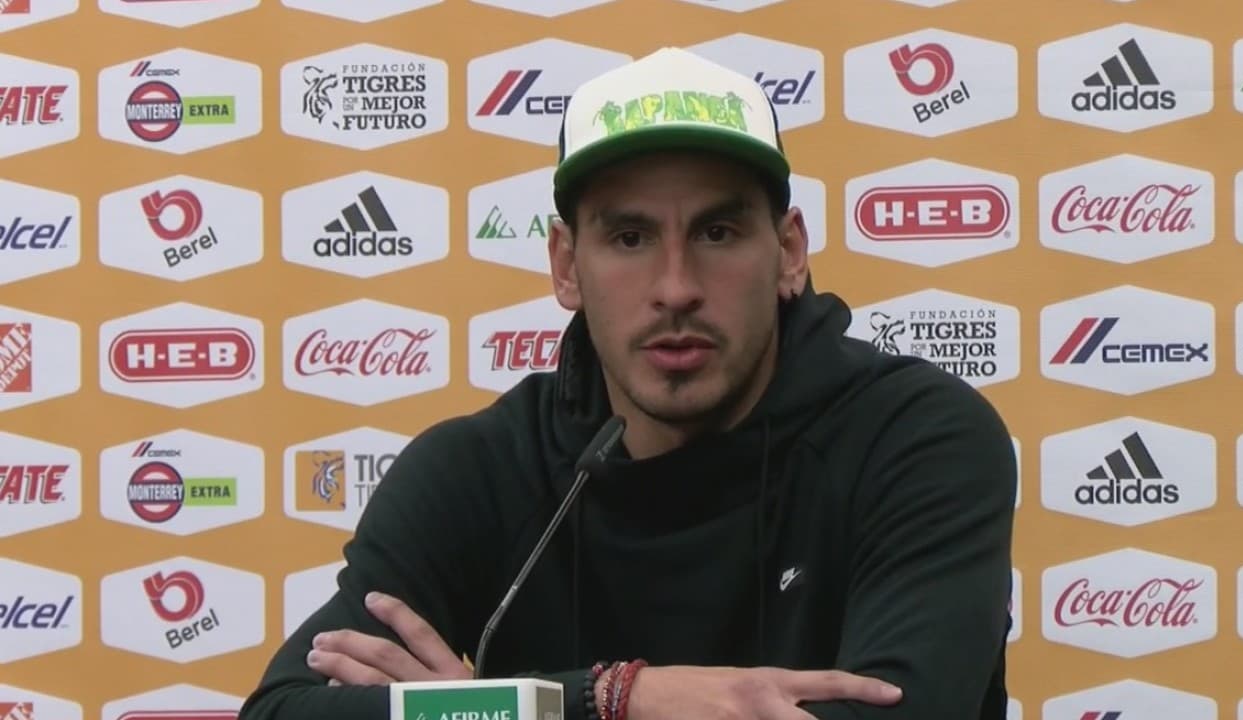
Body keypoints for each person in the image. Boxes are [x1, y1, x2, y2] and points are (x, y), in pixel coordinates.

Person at [238, 47, 1017, 720]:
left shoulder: (917, 439)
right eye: (631, 237)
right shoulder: (479, 469)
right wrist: (617, 696)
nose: (675, 288)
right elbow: (284, 709)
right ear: (566, 265)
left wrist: (484, 707)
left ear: (788, 254)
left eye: (717, 232)